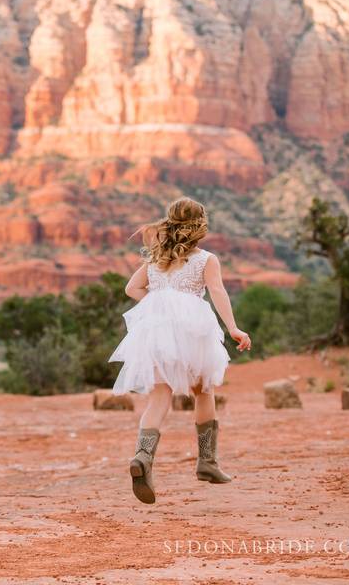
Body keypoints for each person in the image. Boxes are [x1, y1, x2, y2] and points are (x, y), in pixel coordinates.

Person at [108, 197, 251, 504]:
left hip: (156, 331)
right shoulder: (206, 259)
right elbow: (217, 292)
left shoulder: (156, 259)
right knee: (203, 390)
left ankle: (143, 458)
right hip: (193, 330)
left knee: (160, 396)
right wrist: (233, 328)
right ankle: (207, 462)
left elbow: (131, 289)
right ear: (200, 226)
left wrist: (159, 305)